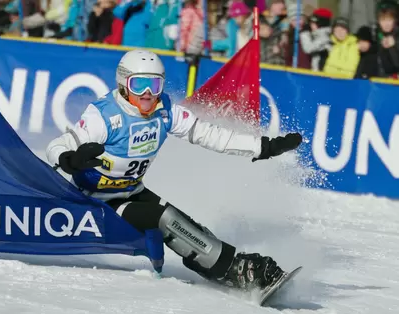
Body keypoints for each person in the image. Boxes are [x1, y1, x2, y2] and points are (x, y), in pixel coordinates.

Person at [46, 49, 302, 292]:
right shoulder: (103, 117)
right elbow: (57, 146)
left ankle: (217, 266)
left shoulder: (166, 111)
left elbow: (210, 135)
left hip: (131, 191)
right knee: (165, 220)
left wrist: (262, 147)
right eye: (139, 85)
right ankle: (232, 268)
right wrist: (70, 159)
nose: (147, 94)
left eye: (155, 85)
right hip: (95, 202)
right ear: (124, 84)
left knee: (184, 223)